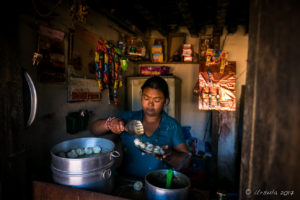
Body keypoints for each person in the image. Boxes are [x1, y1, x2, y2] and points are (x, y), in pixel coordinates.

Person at [90, 76, 190, 179]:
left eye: (157, 100)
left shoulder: (172, 126)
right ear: (141, 96)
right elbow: (94, 129)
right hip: (128, 183)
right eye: (146, 98)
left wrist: (169, 155)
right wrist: (110, 123)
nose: (150, 104)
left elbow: (186, 161)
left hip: (158, 185)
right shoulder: (127, 119)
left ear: (165, 100)